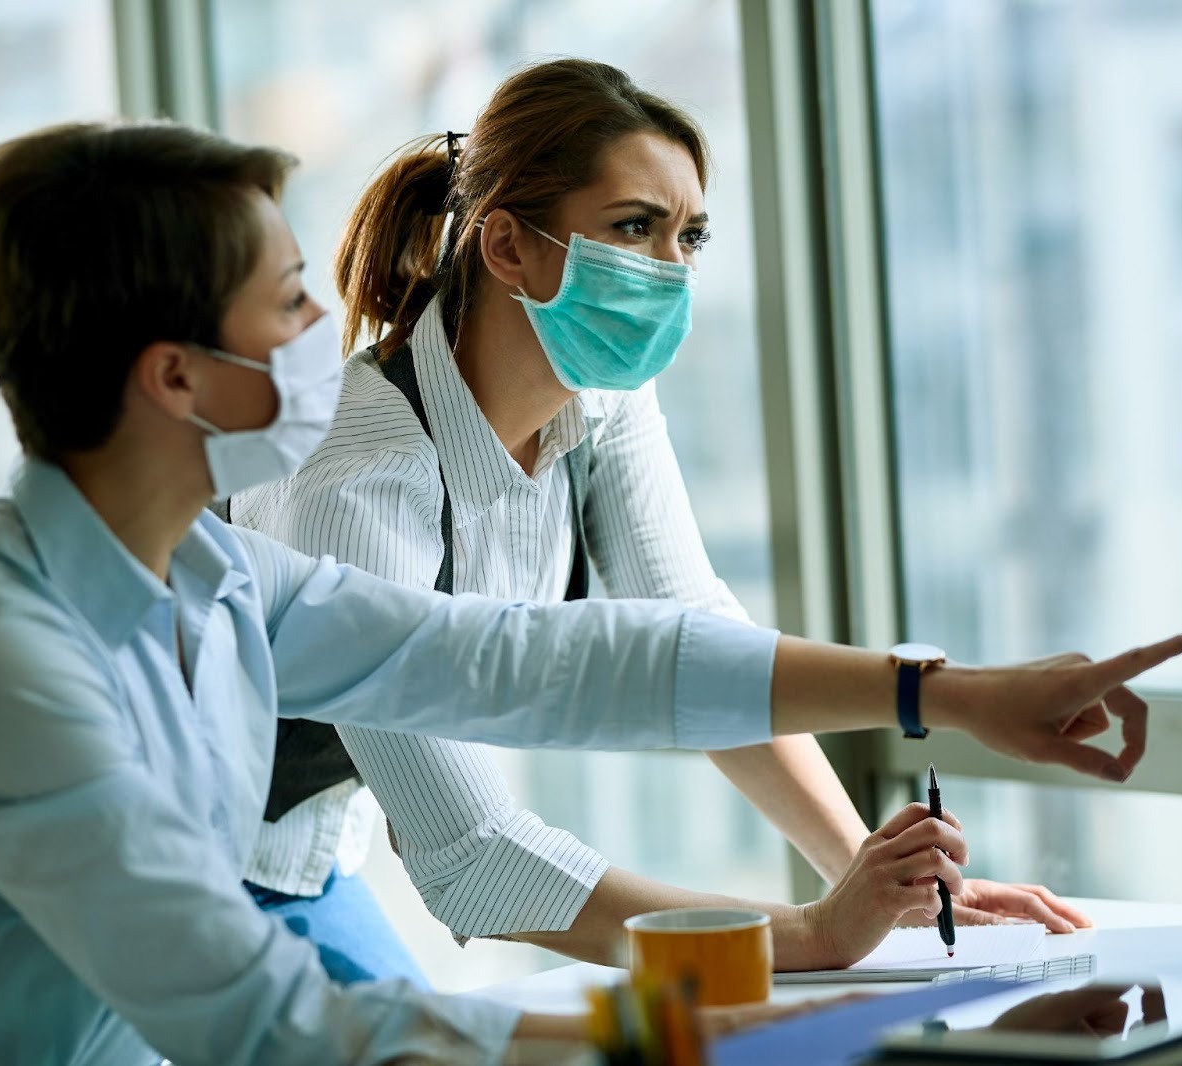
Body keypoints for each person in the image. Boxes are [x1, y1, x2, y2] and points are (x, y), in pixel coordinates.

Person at [0, 117, 1182, 1065]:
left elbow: (558, 659)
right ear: (178, 379)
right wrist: (824, 1013)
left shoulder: (219, 578)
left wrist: (949, 696)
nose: (322, 345)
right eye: (286, 308)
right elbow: (291, 1026)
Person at [235, 57, 1093, 977]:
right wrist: (809, 934)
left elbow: (696, 642)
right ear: (508, 248)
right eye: (633, 228)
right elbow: (472, 855)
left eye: (690, 236)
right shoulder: (357, 478)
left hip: (308, 860)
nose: (670, 270)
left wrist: (883, 889)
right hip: (192, 858)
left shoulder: (599, 394)